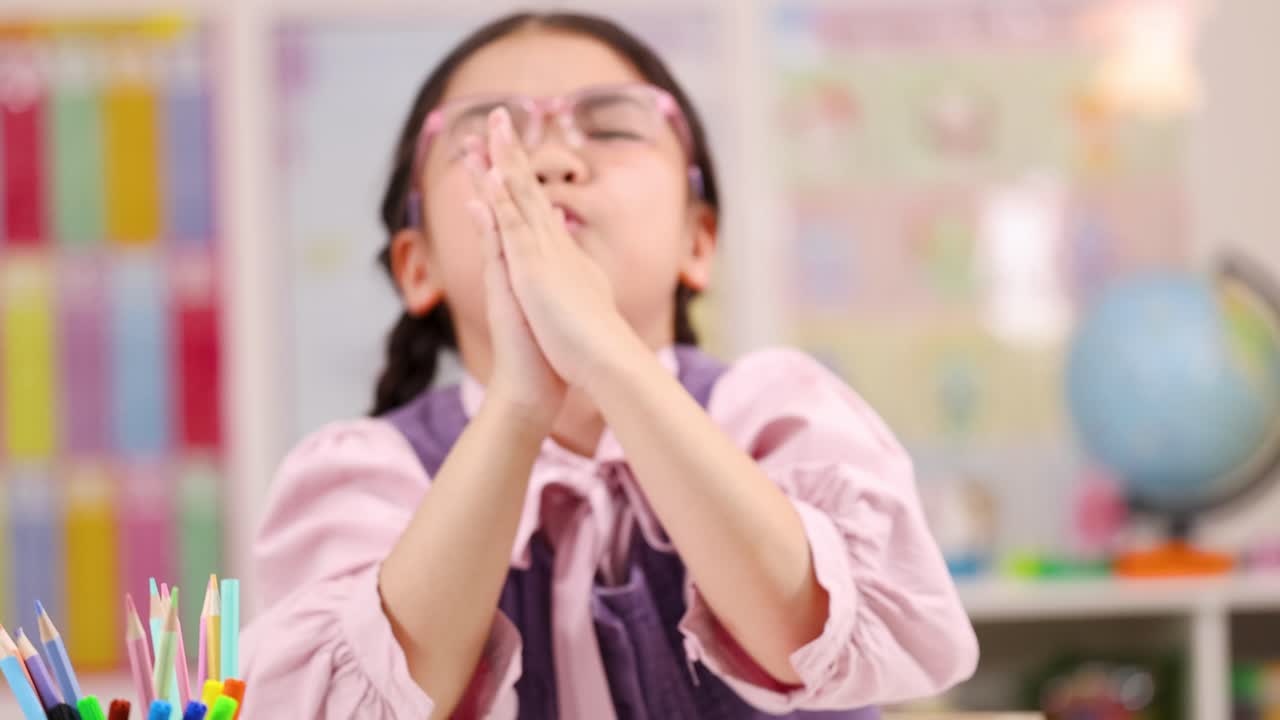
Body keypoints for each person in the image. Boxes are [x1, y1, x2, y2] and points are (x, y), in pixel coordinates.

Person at [242, 11, 978, 719]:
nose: (553, 160)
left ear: (699, 241)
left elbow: (811, 636)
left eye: (614, 128)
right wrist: (518, 406)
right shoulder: (365, 477)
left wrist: (607, 356)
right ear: (417, 266)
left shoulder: (780, 415)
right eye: (488, 140)